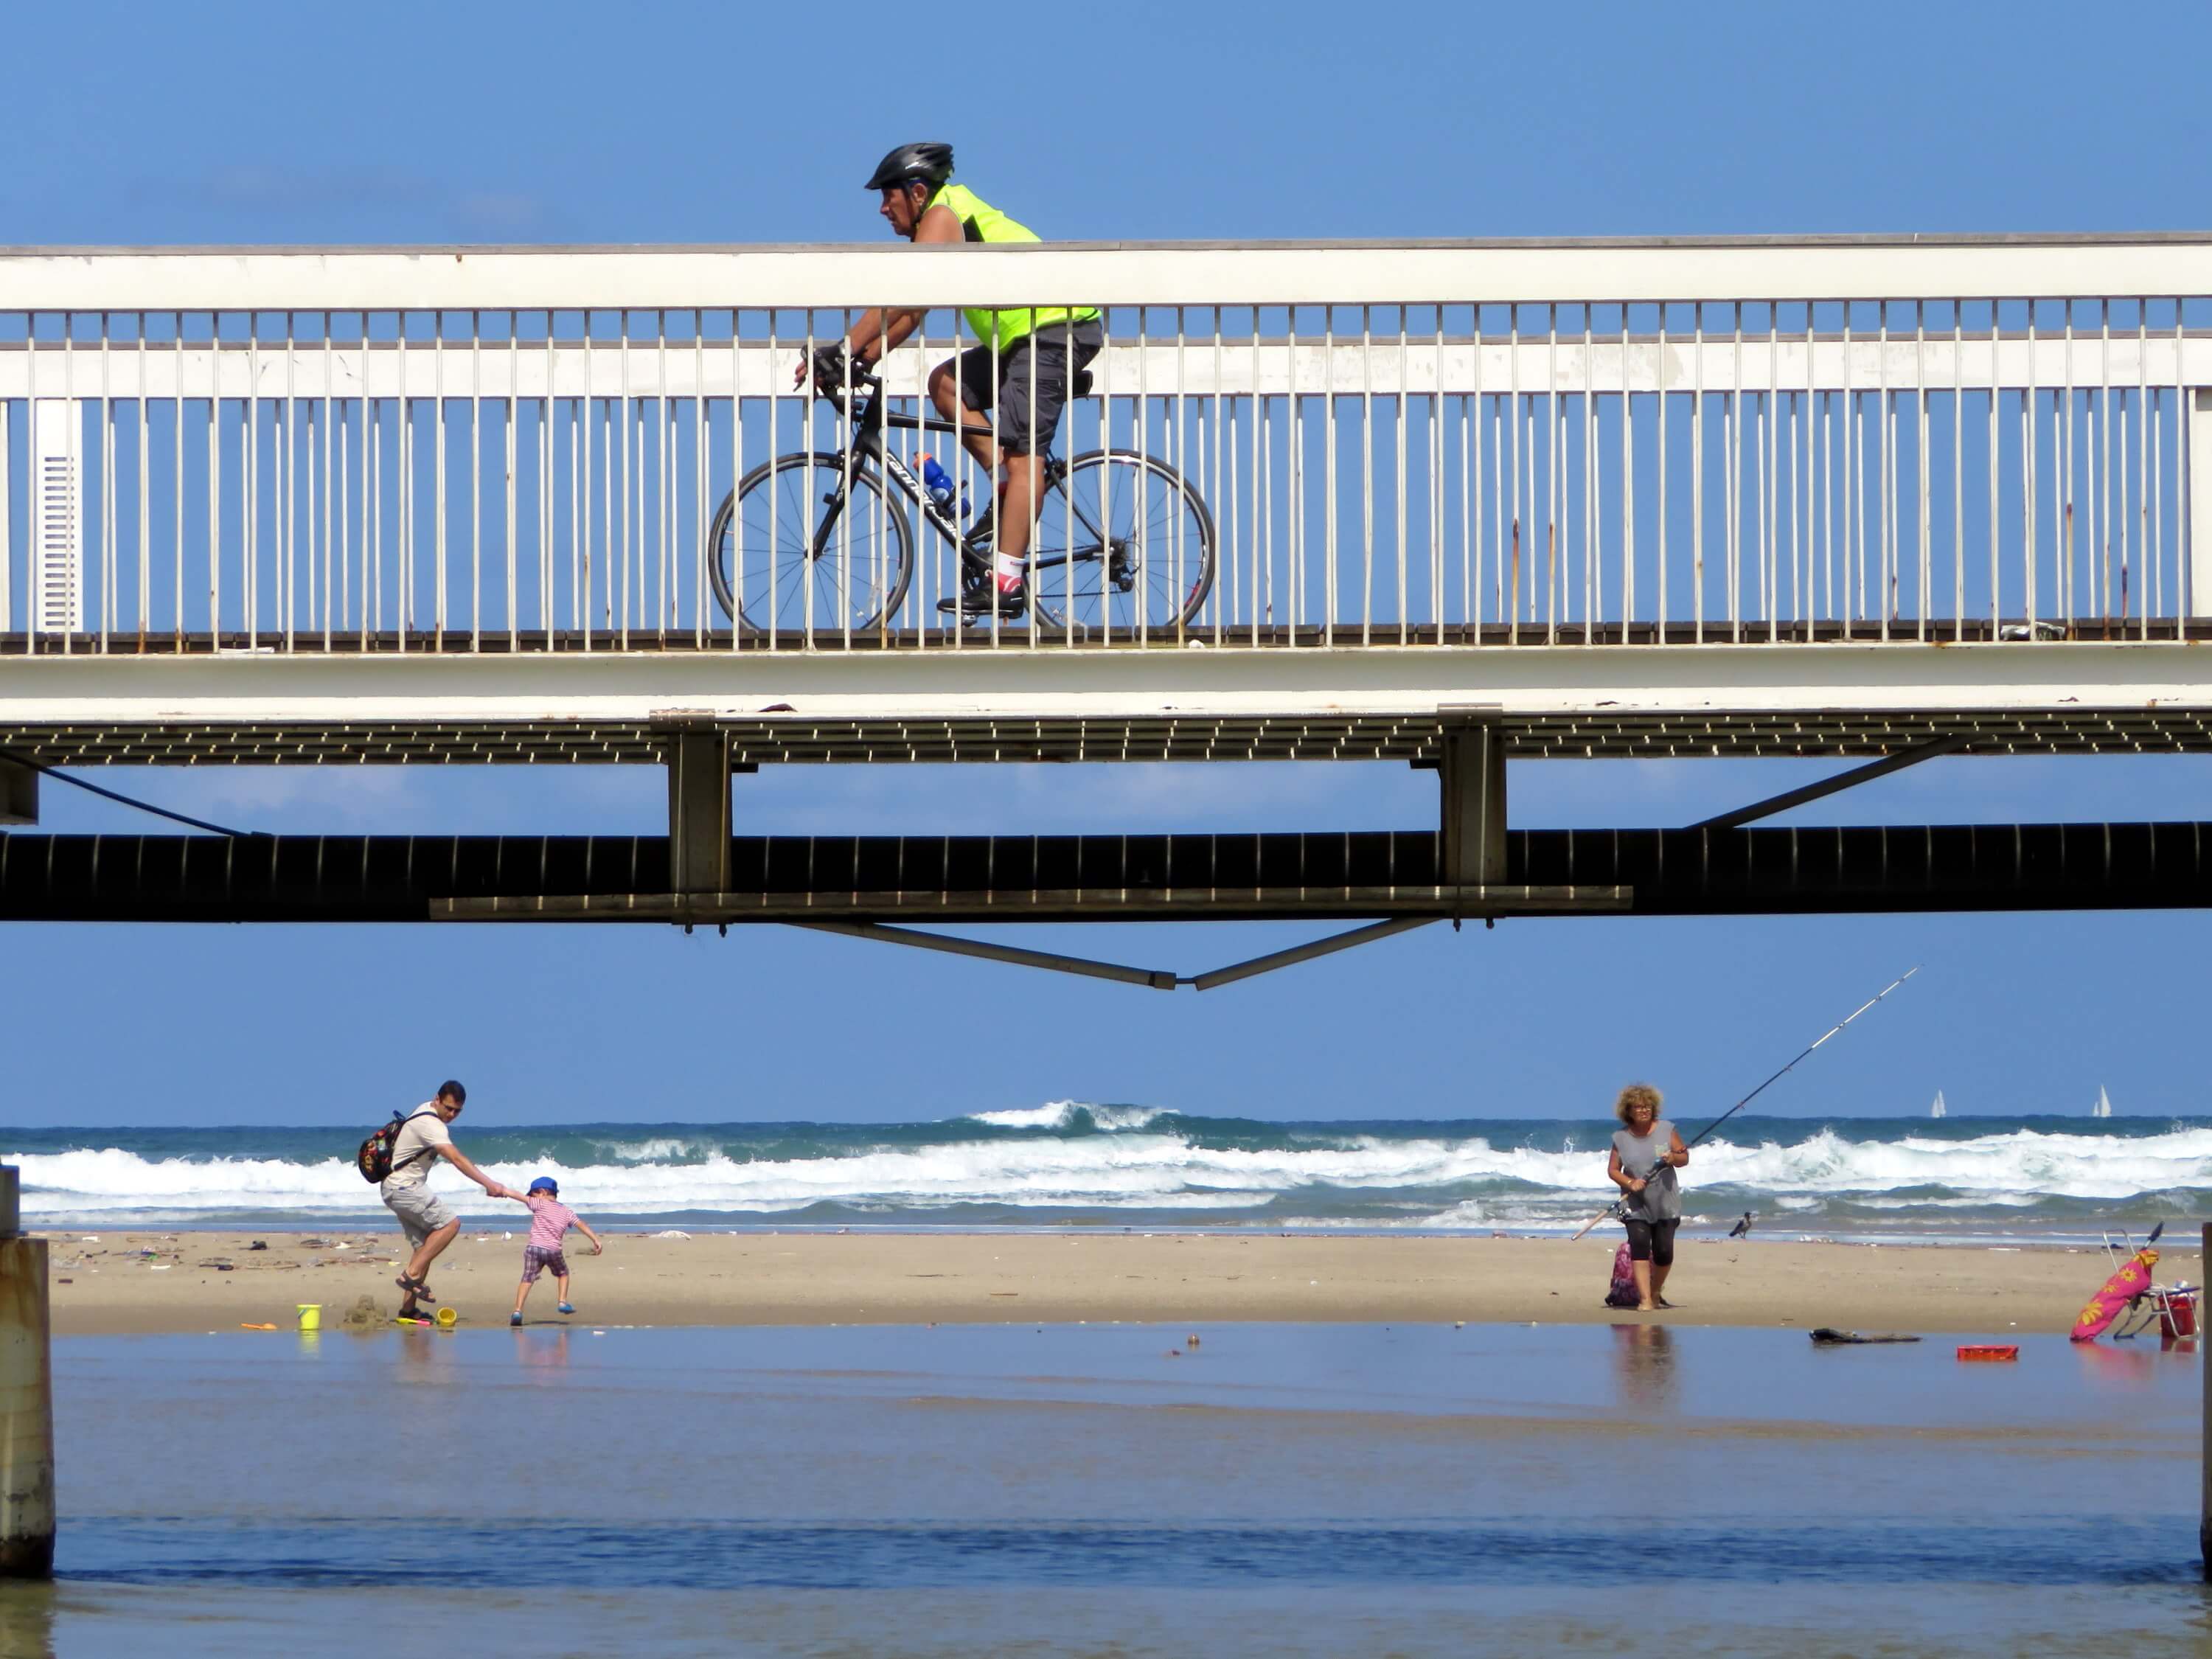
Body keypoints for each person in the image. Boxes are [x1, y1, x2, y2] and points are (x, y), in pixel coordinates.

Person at [798, 142, 1104, 619]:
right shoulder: (944, 220)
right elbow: (911, 312)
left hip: (1052, 330)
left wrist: (841, 348)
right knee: (945, 384)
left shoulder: (942, 215)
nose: (882, 209)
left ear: (917, 192)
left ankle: (1005, 581)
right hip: (1022, 336)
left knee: (1027, 456)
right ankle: (1004, 481)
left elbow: (901, 294)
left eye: (888, 196)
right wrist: (863, 358)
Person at [381, 1080, 516, 1321]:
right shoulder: (432, 1124)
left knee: (425, 1247)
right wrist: (489, 1184)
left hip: (394, 1187)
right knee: (450, 1225)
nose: (452, 1115)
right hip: (405, 1187)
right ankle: (410, 1275)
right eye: (449, 1108)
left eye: (457, 1111)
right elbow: (456, 1158)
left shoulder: (424, 1110)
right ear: (437, 1099)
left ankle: (408, 1311)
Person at [1607, 1083, 1688, 1312]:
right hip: (1636, 1203)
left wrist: (1673, 1157)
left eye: (1647, 1107)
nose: (1643, 1111)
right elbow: (1613, 1170)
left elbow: (1684, 1158)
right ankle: (1644, 1300)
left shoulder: (1667, 1129)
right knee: (1640, 1246)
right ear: (1628, 1111)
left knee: (1664, 1252)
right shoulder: (1620, 1138)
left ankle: (1654, 1291)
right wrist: (1630, 1183)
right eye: (1638, 1107)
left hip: (1665, 1201)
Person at [502, 1175, 603, 1326]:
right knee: (563, 1273)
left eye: (533, 1194)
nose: (531, 1197)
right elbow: (580, 1224)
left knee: (527, 1279)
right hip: (553, 1250)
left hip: (534, 1249)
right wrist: (595, 1239)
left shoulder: (539, 1203)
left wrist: (502, 1190)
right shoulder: (566, 1211)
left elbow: (518, 1196)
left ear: (542, 1192)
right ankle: (562, 1302)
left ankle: (517, 1311)